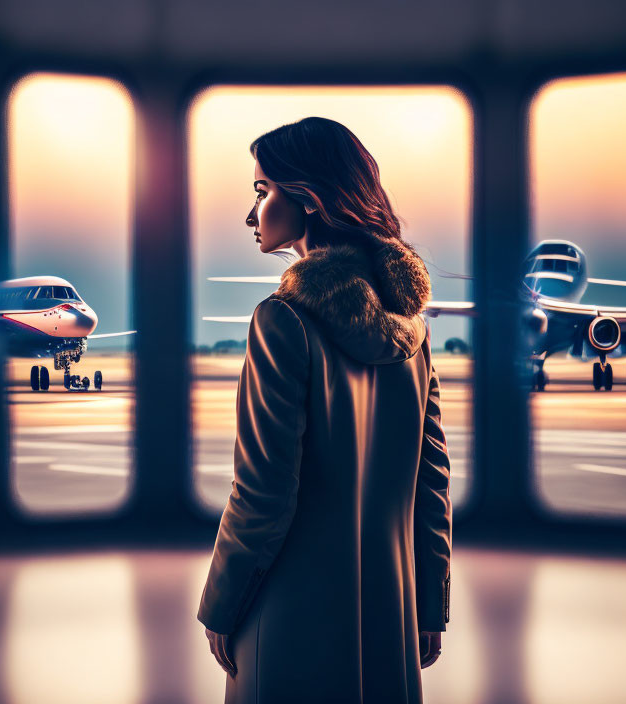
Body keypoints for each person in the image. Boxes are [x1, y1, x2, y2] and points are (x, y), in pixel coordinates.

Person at [197, 116, 452, 704]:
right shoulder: (413, 330)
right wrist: (429, 602)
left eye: (262, 192)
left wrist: (221, 604)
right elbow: (431, 482)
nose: (251, 212)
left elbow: (263, 492)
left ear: (307, 200)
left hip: (288, 614)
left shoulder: (282, 321)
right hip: (390, 611)